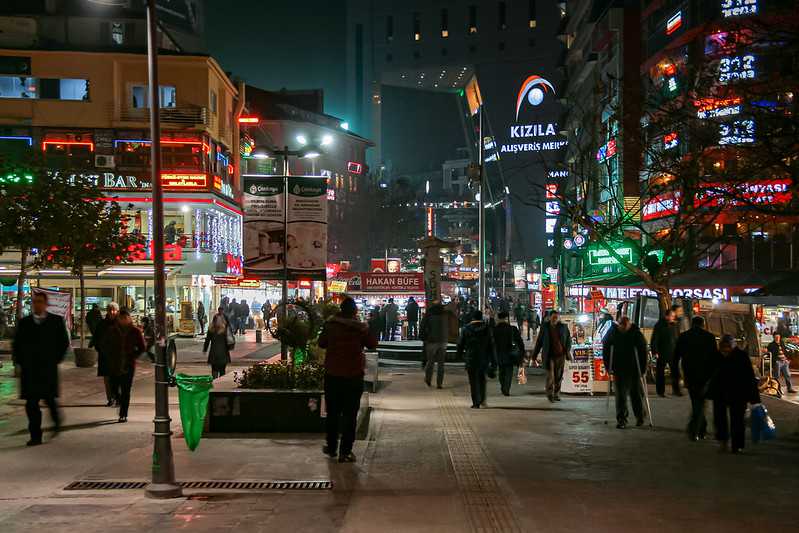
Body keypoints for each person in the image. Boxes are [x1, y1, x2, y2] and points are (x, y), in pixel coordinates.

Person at [318, 297, 377, 463]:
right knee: (350, 415)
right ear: (355, 312)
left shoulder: (330, 325)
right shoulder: (360, 328)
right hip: (353, 376)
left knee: (333, 413)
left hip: (333, 375)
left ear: (340, 310)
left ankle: (331, 448)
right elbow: (372, 344)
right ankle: (345, 451)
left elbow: (321, 343)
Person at [12, 292, 69, 446]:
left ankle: (56, 420)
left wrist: (55, 359)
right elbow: (16, 345)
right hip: (30, 371)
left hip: (47, 369)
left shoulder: (55, 321)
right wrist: (19, 363)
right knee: (31, 404)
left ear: (46, 304)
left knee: (49, 399)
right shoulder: (24, 323)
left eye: (40, 302)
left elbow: (64, 342)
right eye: (35, 302)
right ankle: (35, 436)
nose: (37, 305)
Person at [710, 335, 760, 453]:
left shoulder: (741, 356)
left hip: (738, 394)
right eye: (724, 348)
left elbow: (749, 377)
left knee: (737, 420)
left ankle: (736, 445)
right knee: (720, 419)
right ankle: (724, 442)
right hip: (721, 393)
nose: (726, 350)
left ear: (733, 346)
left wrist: (754, 398)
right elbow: (710, 374)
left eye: (728, 348)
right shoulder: (717, 356)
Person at [675, 315, 720, 441]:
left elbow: (676, 357)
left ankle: (700, 428)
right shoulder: (709, 337)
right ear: (703, 324)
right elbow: (715, 358)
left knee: (696, 402)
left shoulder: (684, 337)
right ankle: (695, 429)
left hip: (689, 374)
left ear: (692, 324)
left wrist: (676, 376)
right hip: (705, 376)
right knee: (700, 403)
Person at [604, 317, 649, 428]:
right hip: (619, 368)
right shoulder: (612, 332)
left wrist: (643, 369)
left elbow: (643, 351)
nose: (623, 328)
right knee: (620, 396)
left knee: (636, 394)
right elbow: (606, 348)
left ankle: (640, 417)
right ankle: (622, 419)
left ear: (629, 324)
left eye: (625, 326)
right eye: (621, 326)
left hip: (633, 368)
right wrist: (608, 366)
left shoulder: (636, 333)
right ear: (618, 324)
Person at [103, 310, 145, 423]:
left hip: (128, 365)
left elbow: (142, 347)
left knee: (126, 389)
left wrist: (133, 356)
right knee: (113, 387)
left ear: (129, 318)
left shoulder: (135, 331)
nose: (123, 320)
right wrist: (109, 356)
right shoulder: (112, 330)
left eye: (125, 317)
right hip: (114, 364)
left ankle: (123, 414)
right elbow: (105, 345)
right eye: (121, 318)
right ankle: (119, 399)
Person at [457, 310, 496, 408]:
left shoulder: (466, 329)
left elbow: (460, 344)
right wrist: (493, 361)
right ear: (481, 318)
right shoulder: (487, 329)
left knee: (473, 381)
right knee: (482, 379)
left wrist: (460, 355)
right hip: (484, 358)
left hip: (471, 358)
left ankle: (475, 402)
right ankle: (482, 399)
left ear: (472, 318)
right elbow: (491, 346)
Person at [532, 310, 572, 402]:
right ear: (550, 318)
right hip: (549, 356)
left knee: (558, 376)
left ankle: (556, 394)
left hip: (560, 355)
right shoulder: (545, 328)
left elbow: (568, 340)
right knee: (551, 376)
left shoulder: (564, 327)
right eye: (553, 317)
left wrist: (567, 351)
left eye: (556, 317)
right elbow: (539, 342)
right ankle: (549, 393)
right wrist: (534, 356)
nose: (555, 319)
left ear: (559, 318)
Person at [420, 299, 452, 389]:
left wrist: (424, 338)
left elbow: (422, 327)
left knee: (430, 362)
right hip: (443, 341)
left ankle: (428, 379)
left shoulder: (429, 315)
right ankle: (439, 383)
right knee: (441, 364)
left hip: (431, 341)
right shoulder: (445, 315)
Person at [651, 307, 681, 397]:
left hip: (673, 352)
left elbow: (677, 338)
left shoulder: (674, 325)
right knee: (660, 373)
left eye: (674, 316)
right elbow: (655, 339)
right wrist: (655, 351)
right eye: (672, 316)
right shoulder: (660, 325)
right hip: (662, 352)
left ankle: (676, 390)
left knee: (675, 372)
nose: (673, 317)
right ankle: (660, 391)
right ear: (667, 316)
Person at [493, 311, 525, 396]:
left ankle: (503, 386)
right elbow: (520, 342)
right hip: (511, 354)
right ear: (506, 319)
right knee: (509, 372)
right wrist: (522, 352)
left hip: (499, 353)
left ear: (499, 319)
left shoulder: (494, 329)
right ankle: (506, 388)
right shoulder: (513, 329)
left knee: (501, 371)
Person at [94, 302, 120, 407]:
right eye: (110, 310)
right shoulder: (102, 324)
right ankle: (110, 398)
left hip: (118, 356)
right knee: (107, 378)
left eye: (114, 310)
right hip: (105, 356)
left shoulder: (121, 323)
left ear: (117, 311)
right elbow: (97, 338)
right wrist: (99, 348)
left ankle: (118, 397)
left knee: (118, 377)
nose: (112, 312)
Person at [204, 309, 233, 379]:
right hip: (223, 353)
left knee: (214, 369)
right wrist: (229, 347)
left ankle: (215, 381)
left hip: (213, 353)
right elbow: (230, 340)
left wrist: (205, 349)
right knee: (222, 370)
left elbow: (207, 339)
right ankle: (221, 382)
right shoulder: (225, 330)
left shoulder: (211, 329)